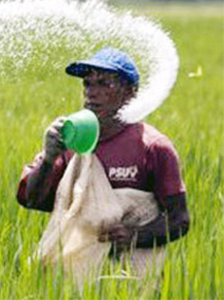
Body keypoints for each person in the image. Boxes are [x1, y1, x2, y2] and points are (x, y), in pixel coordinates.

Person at [17, 47, 190, 258]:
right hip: (73, 273)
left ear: (130, 92)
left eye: (105, 83)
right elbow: (33, 200)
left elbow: (179, 220)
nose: (92, 92)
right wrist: (48, 159)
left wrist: (135, 235)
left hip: (133, 278)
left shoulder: (153, 147)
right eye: (87, 83)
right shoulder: (70, 141)